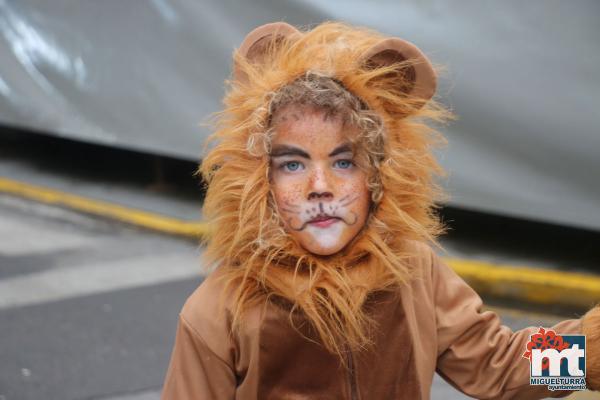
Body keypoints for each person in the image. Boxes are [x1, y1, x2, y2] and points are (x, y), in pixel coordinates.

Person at [161, 21, 599, 399]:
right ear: (260, 178)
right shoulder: (219, 310)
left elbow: (498, 365)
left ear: (380, 176)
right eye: (292, 164)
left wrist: (590, 352)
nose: (320, 187)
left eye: (344, 162)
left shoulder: (414, 274)